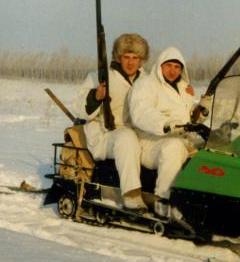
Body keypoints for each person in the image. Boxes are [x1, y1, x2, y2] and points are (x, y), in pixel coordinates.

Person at [74, 33, 149, 210]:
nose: (130, 63)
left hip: (136, 136)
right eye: (126, 57)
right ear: (118, 57)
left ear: (141, 60)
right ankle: (131, 195)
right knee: (126, 137)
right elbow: (79, 109)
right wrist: (96, 96)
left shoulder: (147, 81)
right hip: (105, 136)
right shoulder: (99, 77)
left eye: (135, 58)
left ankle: (163, 196)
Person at [127, 46, 202, 219]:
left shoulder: (182, 88)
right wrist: (166, 124)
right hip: (151, 142)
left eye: (177, 67)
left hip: (183, 139)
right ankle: (163, 200)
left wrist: (201, 110)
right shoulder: (146, 84)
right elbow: (141, 113)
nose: (172, 70)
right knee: (173, 148)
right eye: (168, 65)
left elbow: (189, 114)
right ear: (160, 65)